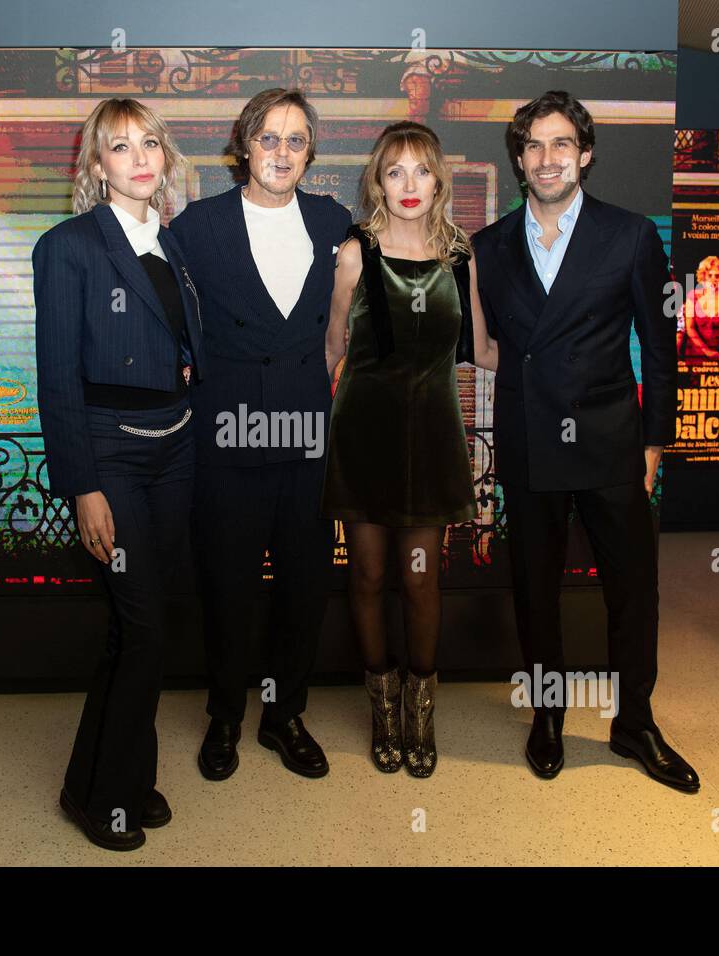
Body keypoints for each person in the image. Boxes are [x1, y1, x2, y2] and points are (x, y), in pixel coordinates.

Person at [471, 90, 700, 793]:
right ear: (518, 158)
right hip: (529, 440)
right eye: (534, 145)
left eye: (562, 144)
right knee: (535, 591)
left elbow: (659, 350)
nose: (548, 158)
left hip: (610, 442)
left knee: (633, 592)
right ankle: (547, 716)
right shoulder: (487, 246)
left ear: (586, 154)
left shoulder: (630, 235)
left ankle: (634, 722)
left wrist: (655, 444)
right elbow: (483, 350)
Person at [33, 97, 205, 850]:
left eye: (149, 145)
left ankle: (119, 775)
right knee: (143, 629)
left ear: (164, 157)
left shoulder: (172, 244)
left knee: (142, 627)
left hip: (176, 449)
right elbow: (56, 378)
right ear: (96, 165)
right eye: (119, 147)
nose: (139, 158)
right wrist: (83, 487)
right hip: (111, 456)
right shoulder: (67, 247)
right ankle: (103, 797)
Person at [168, 88, 352, 781]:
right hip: (229, 435)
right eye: (268, 137)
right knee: (229, 586)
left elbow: (342, 323)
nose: (281, 151)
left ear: (310, 153)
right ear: (244, 145)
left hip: (305, 433)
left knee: (305, 586)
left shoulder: (334, 221)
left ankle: (283, 716)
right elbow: (172, 326)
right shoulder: (196, 226)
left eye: (296, 139)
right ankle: (224, 717)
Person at [321, 121, 497, 777]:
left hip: (431, 437)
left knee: (421, 579)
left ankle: (421, 716)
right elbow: (333, 349)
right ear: (378, 182)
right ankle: (382, 710)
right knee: (366, 575)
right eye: (395, 171)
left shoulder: (460, 254)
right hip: (364, 432)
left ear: (439, 179)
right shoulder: (354, 253)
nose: (409, 184)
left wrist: (559, 372)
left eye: (421, 169)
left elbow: (479, 349)